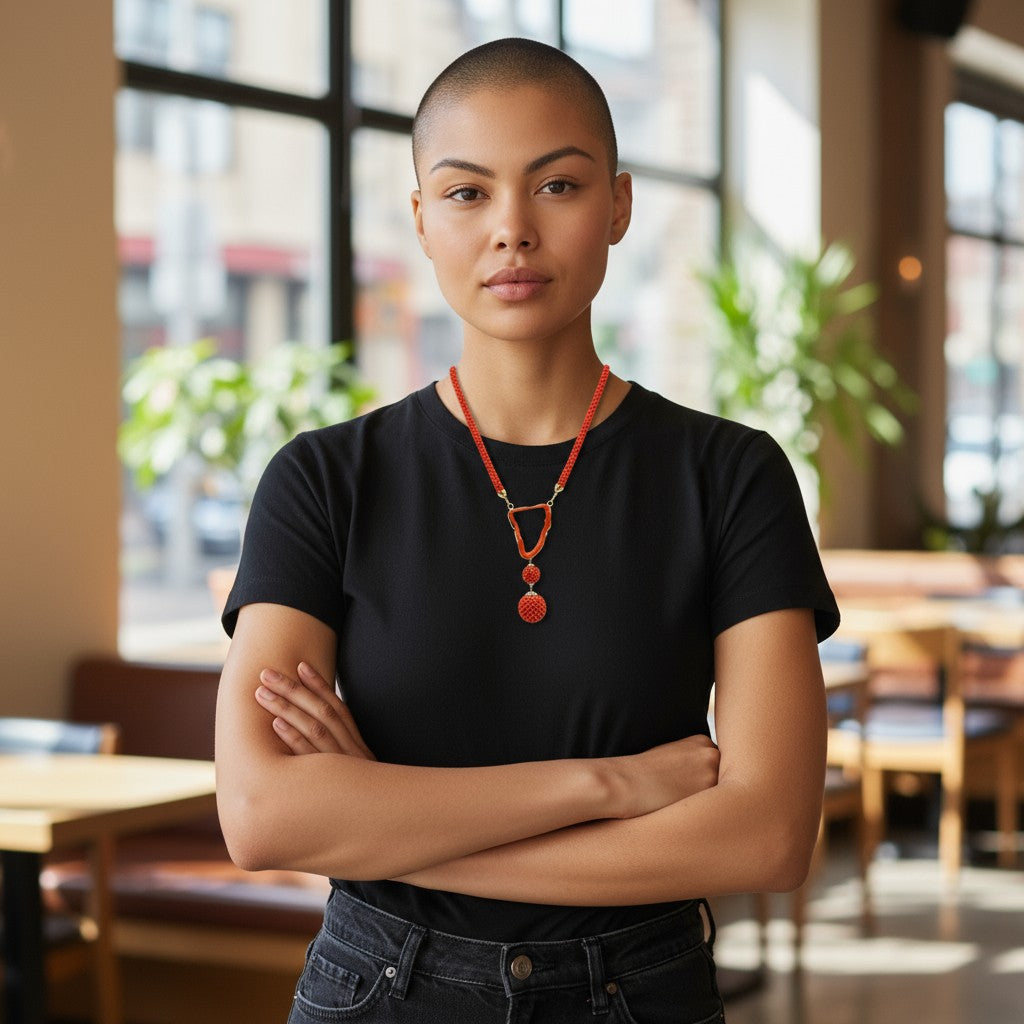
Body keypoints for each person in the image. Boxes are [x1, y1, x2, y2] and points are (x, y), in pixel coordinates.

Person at [215, 37, 839, 1024]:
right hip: (379, 990)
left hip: (638, 992)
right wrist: (610, 782)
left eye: (556, 185)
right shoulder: (324, 480)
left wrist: (387, 813)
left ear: (618, 206)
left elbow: (762, 838)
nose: (511, 229)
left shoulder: (727, 475)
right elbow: (260, 816)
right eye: (466, 193)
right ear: (421, 220)